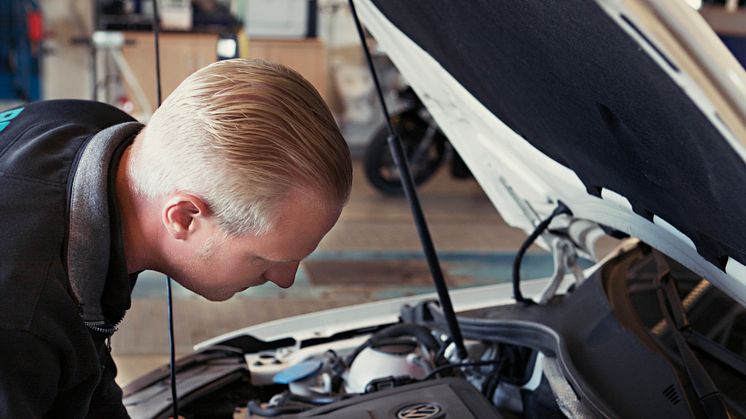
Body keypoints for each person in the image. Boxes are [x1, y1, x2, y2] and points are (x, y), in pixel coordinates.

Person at [0, 58, 352, 418]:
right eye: (266, 259)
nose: (286, 279)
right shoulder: (21, 319)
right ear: (183, 217)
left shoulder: (92, 127)